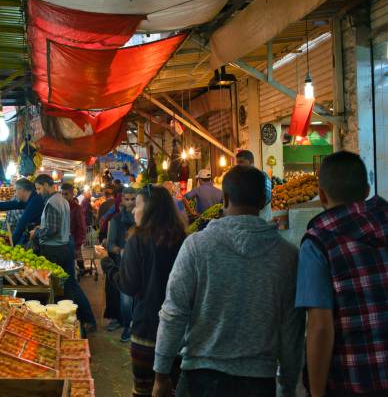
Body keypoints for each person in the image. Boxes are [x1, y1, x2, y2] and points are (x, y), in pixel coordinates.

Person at [152, 165, 305, 397]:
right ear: (265, 200)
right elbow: (292, 327)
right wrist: (288, 385)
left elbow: (174, 312)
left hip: (199, 379)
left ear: (224, 198)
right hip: (258, 382)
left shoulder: (196, 246)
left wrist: (161, 374)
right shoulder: (287, 255)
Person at [295, 151, 387, 397]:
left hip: (354, 379)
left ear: (321, 194)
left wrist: (315, 392)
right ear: (367, 190)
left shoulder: (318, 242)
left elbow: (320, 327)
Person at [101, 185, 187, 396]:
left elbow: (127, 285)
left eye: (137, 205)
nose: (132, 210)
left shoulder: (138, 239)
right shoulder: (184, 239)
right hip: (180, 332)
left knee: (144, 390)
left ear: (149, 208)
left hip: (148, 329)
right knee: (173, 389)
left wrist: (106, 264)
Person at [31, 174, 97, 332]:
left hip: (55, 250)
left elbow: (52, 230)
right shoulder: (63, 200)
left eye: (39, 188)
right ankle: (83, 319)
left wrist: (37, 233)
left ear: (47, 185)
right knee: (70, 284)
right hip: (64, 245)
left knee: (66, 286)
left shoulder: (52, 203)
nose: (39, 192)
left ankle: (76, 321)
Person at [106, 186, 137, 342]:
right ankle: (127, 327)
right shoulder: (116, 220)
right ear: (122, 200)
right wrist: (122, 250)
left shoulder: (142, 218)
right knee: (126, 300)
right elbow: (109, 245)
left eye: (133, 199)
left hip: (141, 265)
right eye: (127, 199)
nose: (130, 202)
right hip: (123, 265)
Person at [236, 150, 272, 219]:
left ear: (251, 162)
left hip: (263, 222)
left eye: (241, 162)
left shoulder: (262, 177)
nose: (238, 166)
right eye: (237, 163)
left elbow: (266, 199)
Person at [61, 183, 87, 271]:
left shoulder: (77, 208)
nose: (64, 196)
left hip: (73, 240)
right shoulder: (60, 206)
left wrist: (78, 244)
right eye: (62, 194)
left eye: (66, 194)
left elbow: (81, 227)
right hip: (62, 241)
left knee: (72, 264)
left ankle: (81, 270)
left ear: (72, 194)